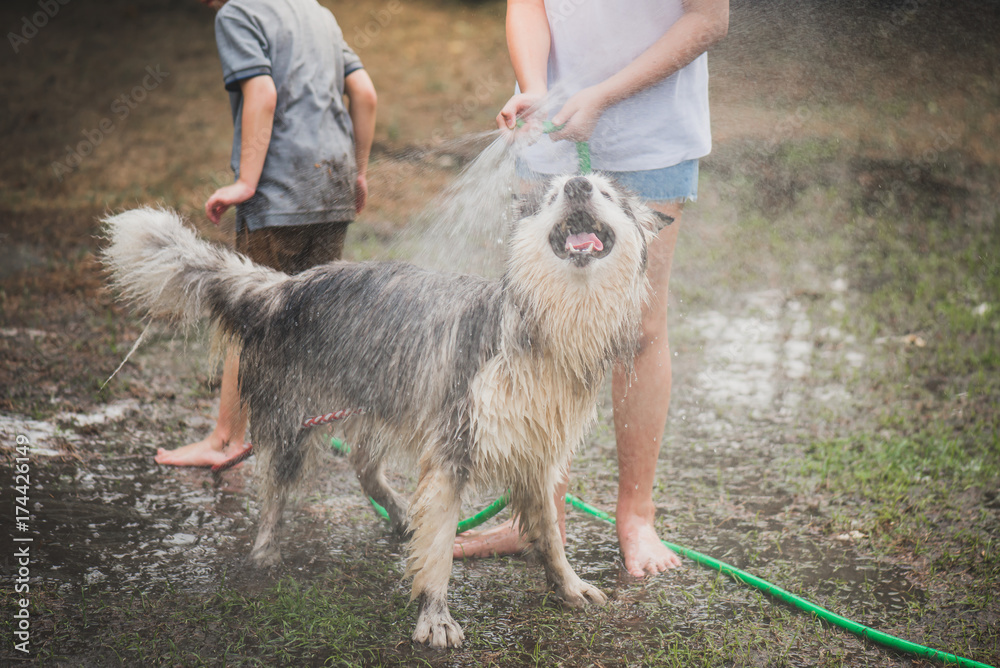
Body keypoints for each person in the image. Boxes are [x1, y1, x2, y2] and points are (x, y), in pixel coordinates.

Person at [454, 0, 728, 577]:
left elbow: (708, 19)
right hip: (548, 132)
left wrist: (601, 96)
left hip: (651, 138)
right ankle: (536, 516)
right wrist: (535, 86)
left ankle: (636, 516)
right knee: (540, 324)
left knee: (641, 330)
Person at [155, 0, 377, 468]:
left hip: (279, 191)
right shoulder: (319, 14)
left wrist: (247, 182)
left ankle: (225, 441)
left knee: (248, 314)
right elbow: (365, 92)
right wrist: (359, 172)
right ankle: (300, 432)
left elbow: (263, 94)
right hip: (331, 186)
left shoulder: (239, 14)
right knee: (306, 314)